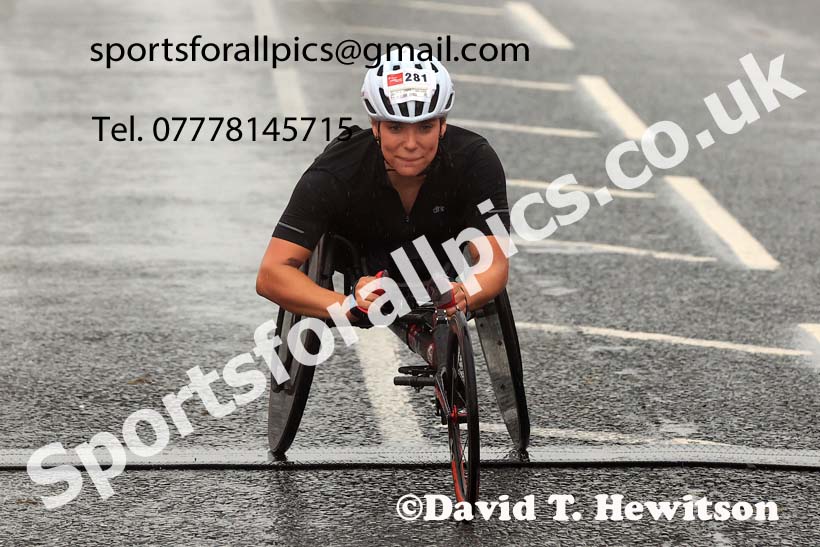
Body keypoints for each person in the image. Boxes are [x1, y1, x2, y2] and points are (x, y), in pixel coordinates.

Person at [256, 47, 511, 325]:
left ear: (443, 125)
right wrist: (347, 305)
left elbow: (494, 261)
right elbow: (271, 274)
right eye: (396, 127)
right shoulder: (335, 172)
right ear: (375, 126)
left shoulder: (475, 161)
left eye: (425, 127)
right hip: (364, 258)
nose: (411, 144)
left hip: (439, 256)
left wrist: (466, 292)